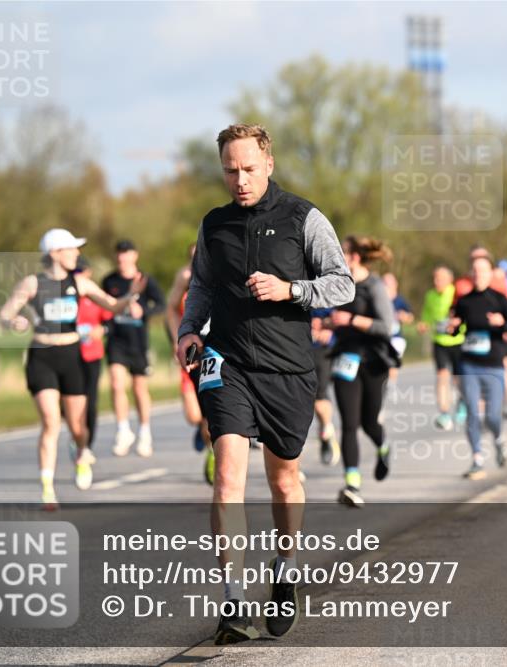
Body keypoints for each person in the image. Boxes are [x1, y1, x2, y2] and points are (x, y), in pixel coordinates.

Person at [176, 124, 354, 644]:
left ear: (268, 164)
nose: (240, 179)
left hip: (288, 370)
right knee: (228, 474)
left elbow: (342, 284)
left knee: (284, 480)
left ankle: (287, 565)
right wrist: (189, 330)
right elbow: (203, 285)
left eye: (249, 168)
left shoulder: (304, 218)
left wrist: (290, 289)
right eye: (230, 170)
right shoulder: (215, 225)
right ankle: (232, 600)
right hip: (227, 363)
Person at [0, 229, 145, 509]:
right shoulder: (33, 283)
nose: (77, 254)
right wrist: (14, 321)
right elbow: (6, 313)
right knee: (51, 422)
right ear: (55, 253)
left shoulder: (80, 283)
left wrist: (131, 296)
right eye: (71, 249)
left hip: (72, 356)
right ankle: (47, 488)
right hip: (42, 356)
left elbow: (113, 307)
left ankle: (81, 451)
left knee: (77, 426)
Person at [328, 237, 399, 507]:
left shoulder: (374, 287)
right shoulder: (336, 284)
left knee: (369, 423)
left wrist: (352, 320)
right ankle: (352, 484)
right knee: (348, 423)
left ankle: (383, 447)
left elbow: (386, 326)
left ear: (354, 257)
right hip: (345, 359)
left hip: (373, 362)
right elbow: (331, 316)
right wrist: (326, 326)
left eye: (340, 253)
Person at [450, 254, 507, 479]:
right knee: (472, 411)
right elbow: (455, 326)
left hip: (494, 365)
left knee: (492, 416)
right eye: (475, 271)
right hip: (469, 363)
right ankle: (477, 459)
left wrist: (502, 324)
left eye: (483, 271)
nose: (478, 275)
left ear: (491, 274)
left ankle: (499, 440)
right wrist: (452, 326)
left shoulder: (501, 300)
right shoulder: (464, 300)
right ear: (471, 274)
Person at [103, 240, 165, 458]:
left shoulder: (145, 280)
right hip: (116, 341)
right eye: (119, 254)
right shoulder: (109, 280)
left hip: (138, 342)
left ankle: (145, 433)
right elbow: (103, 307)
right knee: (116, 383)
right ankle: (123, 430)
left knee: (139, 388)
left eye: (126, 254)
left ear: (135, 256)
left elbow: (162, 304)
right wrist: (105, 327)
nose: (122, 258)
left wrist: (144, 312)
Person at [166, 244, 216, 483]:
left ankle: (215, 447)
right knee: (195, 415)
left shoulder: (224, 270)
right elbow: (170, 308)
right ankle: (207, 438)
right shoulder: (186, 277)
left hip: (219, 346)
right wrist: (180, 339)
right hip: (195, 346)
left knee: (214, 410)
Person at [418, 265, 464, 431]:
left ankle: (462, 402)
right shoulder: (430, 295)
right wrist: (423, 325)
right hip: (439, 342)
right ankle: (444, 413)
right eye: (435, 278)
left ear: (449, 280)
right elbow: (427, 316)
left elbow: (466, 314)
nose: (436, 281)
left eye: (440, 278)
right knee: (442, 377)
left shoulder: (457, 294)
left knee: (458, 379)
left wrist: (457, 323)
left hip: (458, 341)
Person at [74, 258, 108, 456]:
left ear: (88, 273)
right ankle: (76, 435)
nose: (77, 275)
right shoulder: (67, 296)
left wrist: (101, 329)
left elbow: (111, 322)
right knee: (67, 401)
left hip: (92, 355)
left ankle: (87, 445)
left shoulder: (94, 296)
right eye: (74, 271)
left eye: (80, 271)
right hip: (69, 355)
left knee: (90, 401)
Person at [310, 308, 340, 466]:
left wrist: (325, 325)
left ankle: (326, 430)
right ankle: (325, 430)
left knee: (319, 395)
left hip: (324, 349)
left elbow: (342, 314)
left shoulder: (330, 283)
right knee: (306, 399)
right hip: (298, 348)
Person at [383, 271, 414, 384]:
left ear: (395, 284)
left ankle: (390, 383)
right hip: (382, 336)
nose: (386, 285)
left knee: (392, 361)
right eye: (384, 282)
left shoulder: (400, 301)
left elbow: (410, 318)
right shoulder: (379, 300)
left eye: (388, 283)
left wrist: (404, 316)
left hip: (396, 338)